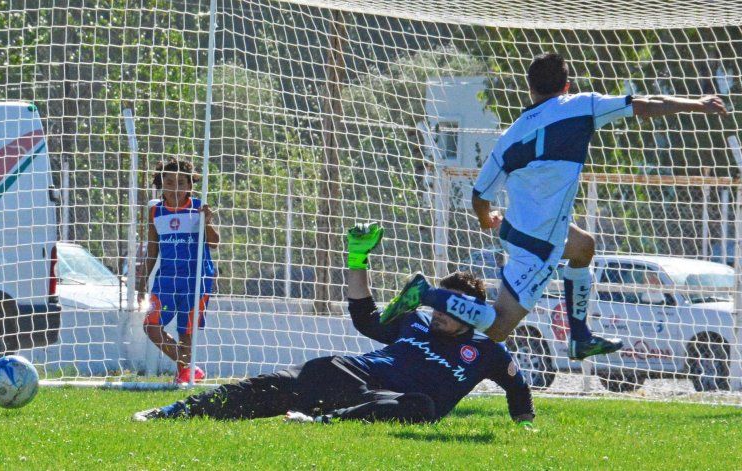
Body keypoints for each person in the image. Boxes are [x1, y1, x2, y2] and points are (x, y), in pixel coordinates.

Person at [383, 52, 728, 361]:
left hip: (520, 229)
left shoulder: (510, 137)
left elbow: (479, 195)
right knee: (499, 327)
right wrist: (698, 103)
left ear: (529, 89)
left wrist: (485, 218)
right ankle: (425, 293)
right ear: (568, 85)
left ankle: (579, 338)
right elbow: (647, 103)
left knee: (583, 247)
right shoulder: (582, 105)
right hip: (538, 245)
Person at [132, 223, 535, 427]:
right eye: (440, 305)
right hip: (348, 375)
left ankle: (322, 421)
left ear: (472, 314)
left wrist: (524, 425)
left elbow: (518, 388)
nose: (441, 314)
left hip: (387, 402)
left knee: (422, 406)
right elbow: (365, 318)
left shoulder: (486, 353)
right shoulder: (414, 322)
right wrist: (358, 260)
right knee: (262, 388)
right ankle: (172, 412)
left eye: (452, 308)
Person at [138, 158, 220, 384]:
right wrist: (141, 281)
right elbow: (152, 250)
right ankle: (189, 368)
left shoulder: (198, 208)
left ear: (190, 186)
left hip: (196, 280)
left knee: (186, 333)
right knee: (151, 326)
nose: (176, 188)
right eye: (170, 181)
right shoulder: (156, 211)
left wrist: (208, 222)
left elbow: (214, 242)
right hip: (166, 280)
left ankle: (183, 376)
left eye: (181, 182)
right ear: (160, 183)